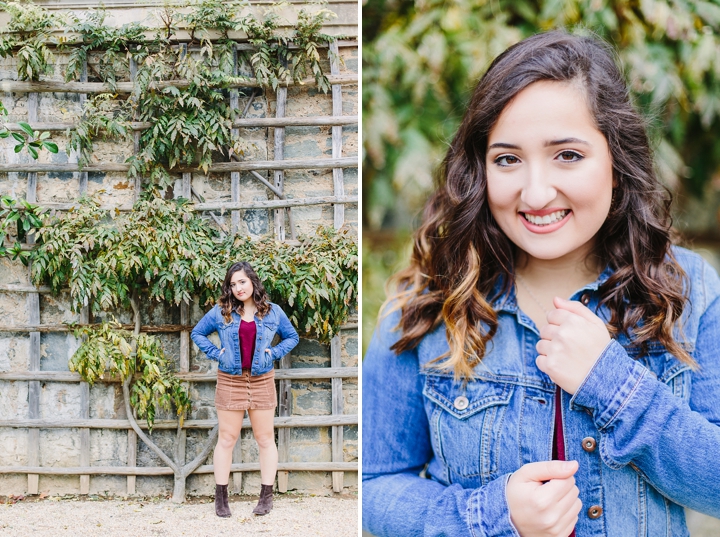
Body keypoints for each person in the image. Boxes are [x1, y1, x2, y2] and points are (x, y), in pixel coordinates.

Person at [362, 31, 720, 537]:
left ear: (616, 165)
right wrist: (491, 516)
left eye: (567, 155)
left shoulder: (691, 292)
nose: (534, 192)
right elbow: (373, 482)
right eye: (507, 159)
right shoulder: (429, 303)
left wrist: (614, 386)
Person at [191, 261, 299, 518]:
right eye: (233, 284)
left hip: (262, 379)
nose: (238, 288)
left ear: (252, 281)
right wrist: (217, 353)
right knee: (227, 439)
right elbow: (198, 333)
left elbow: (292, 337)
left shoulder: (273, 312)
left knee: (264, 438)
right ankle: (221, 498)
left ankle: (266, 497)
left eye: (242, 282)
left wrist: (273, 352)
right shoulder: (222, 312)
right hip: (230, 380)